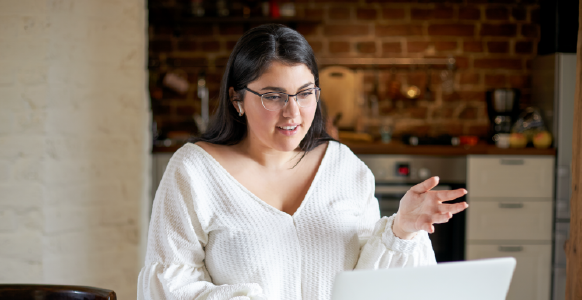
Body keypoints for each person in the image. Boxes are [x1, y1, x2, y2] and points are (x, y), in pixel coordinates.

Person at [138, 24, 468, 300]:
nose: (293, 113)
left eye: (305, 93)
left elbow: (366, 287)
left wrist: (402, 230)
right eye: (273, 95)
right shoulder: (194, 171)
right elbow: (170, 285)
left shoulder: (343, 166)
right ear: (237, 99)